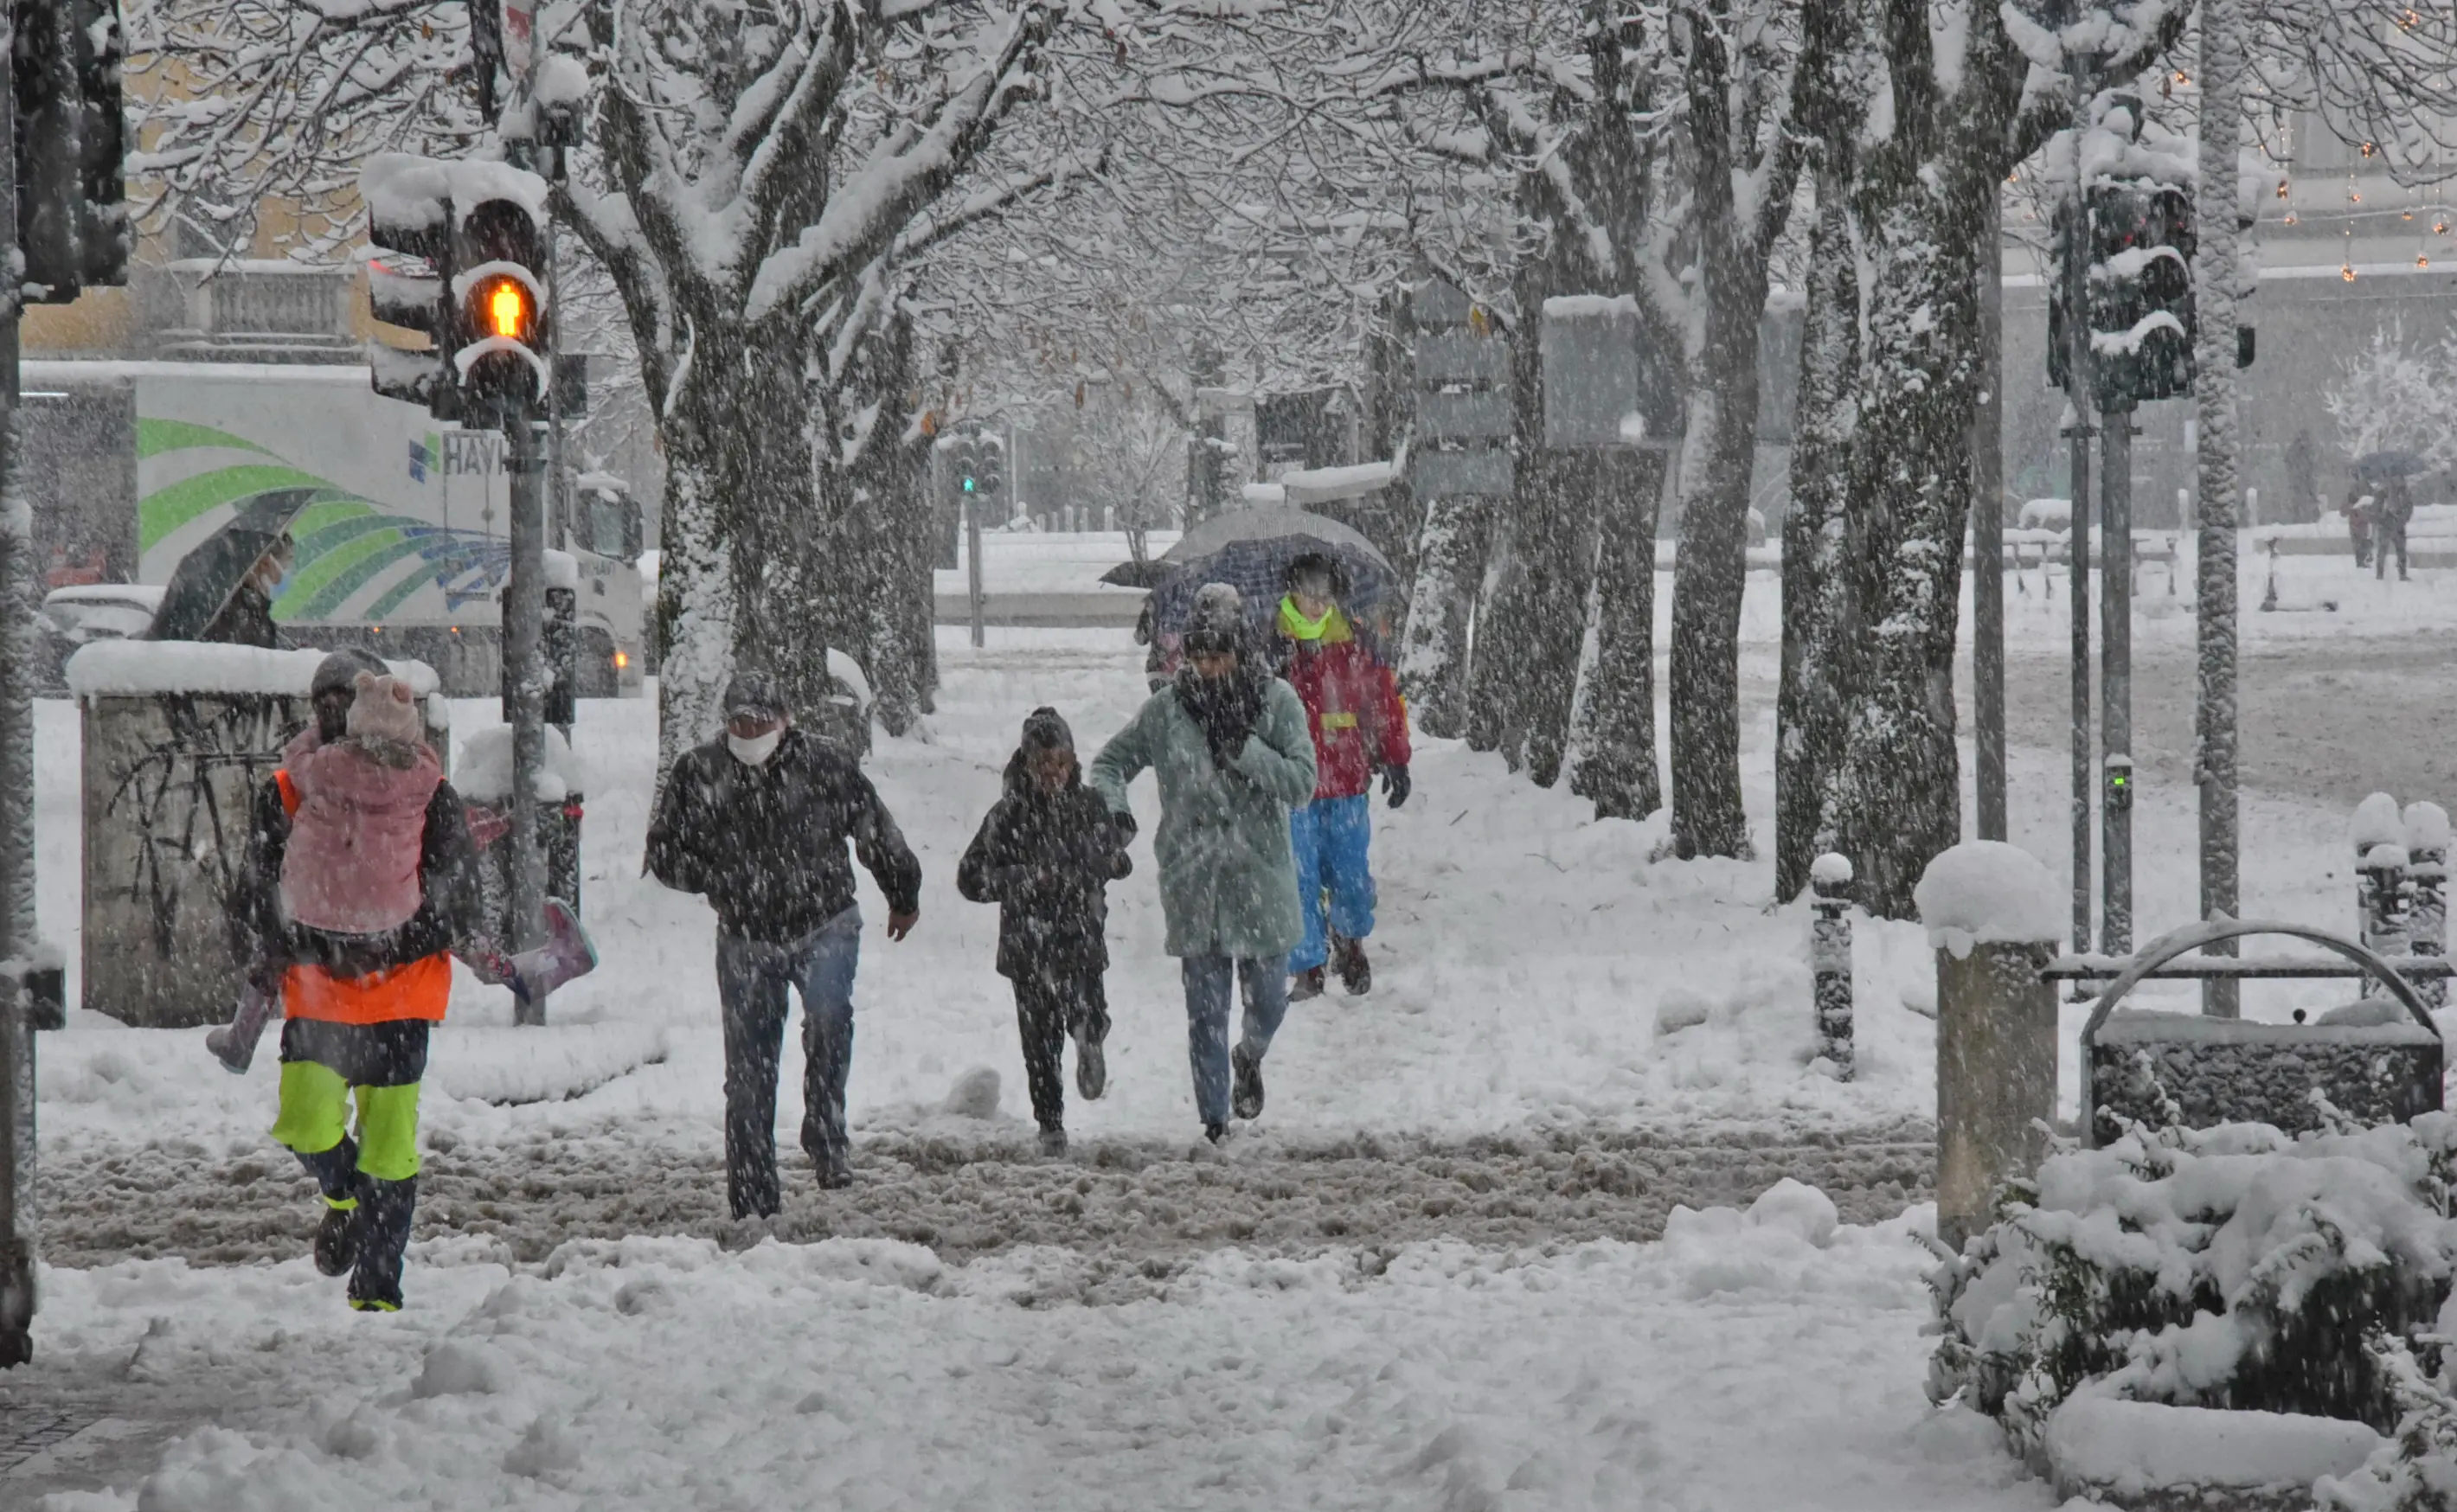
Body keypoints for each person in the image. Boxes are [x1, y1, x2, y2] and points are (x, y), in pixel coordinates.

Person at [227, 648, 484, 1312]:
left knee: (391, 1144)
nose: (336, 712)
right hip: (318, 990)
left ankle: (379, 1285)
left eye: (347, 699)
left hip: (401, 989)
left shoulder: (427, 792)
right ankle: (348, 1198)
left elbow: (458, 898)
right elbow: (257, 888)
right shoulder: (289, 789)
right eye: (324, 702)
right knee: (305, 1127)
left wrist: (388, 943)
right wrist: (293, 944)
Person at [646, 670, 921, 1214]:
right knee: (747, 1070)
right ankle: (752, 1195)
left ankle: (826, 1130)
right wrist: (716, 876)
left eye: (761, 721)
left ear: (785, 720)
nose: (750, 732)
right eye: (739, 723)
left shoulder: (824, 765)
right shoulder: (699, 773)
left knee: (828, 1021)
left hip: (825, 922)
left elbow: (873, 828)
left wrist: (902, 889)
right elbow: (665, 853)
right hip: (745, 936)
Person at [1090, 584, 1317, 1144]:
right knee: (1204, 1014)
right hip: (1194, 881)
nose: (1210, 667)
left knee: (1267, 1000)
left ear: (1242, 650)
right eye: (1199, 656)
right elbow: (1109, 763)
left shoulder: (1277, 701)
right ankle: (1214, 1120)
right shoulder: (1167, 711)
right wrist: (1115, 813)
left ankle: (1251, 1053)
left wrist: (1245, 750)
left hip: (1260, 879)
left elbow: (1303, 784)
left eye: (1221, 655)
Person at [957, 708, 1131, 1156]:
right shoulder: (1008, 813)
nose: (1052, 774)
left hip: (1080, 937)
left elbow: (1115, 857)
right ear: (1026, 765)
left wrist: (1101, 865)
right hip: (1027, 947)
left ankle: (1090, 1040)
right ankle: (1050, 1123)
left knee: (1089, 1009)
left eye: (1060, 763)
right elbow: (971, 877)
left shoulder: (1089, 804)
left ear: (1073, 761)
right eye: (1042, 766)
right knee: (1039, 1044)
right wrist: (1023, 879)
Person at [1269, 553, 1411, 1000]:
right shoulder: (1269, 644)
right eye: (1307, 590)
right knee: (1299, 877)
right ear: (1291, 589)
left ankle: (1350, 943)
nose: (1316, 601)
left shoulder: (1355, 640)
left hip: (1347, 779)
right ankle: (1308, 963)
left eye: (1324, 590)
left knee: (1350, 871)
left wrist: (1395, 756)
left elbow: (1382, 699)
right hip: (1293, 785)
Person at [201, 533, 293, 647]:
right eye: (287, 562)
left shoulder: (242, 603)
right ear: (266, 562)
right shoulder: (242, 611)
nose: (288, 570)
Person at [2377, 475, 2415, 581]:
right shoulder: (2402, 493)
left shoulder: (2385, 490)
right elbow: (2409, 508)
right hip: (2393, 524)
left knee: (2385, 550)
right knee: (2397, 550)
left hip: (2390, 524)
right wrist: (2401, 519)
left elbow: (2408, 509)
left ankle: (2381, 574)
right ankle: (2400, 574)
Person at [2347, 487, 2376, 570]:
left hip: (2359, 531)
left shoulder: (2356, 508)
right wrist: (2367, 517)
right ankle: (2361, 562)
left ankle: (2362, 561)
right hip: (2359, 531)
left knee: (2362, 546)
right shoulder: (2355, 509)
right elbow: (2359, 519)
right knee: (2362, 546)